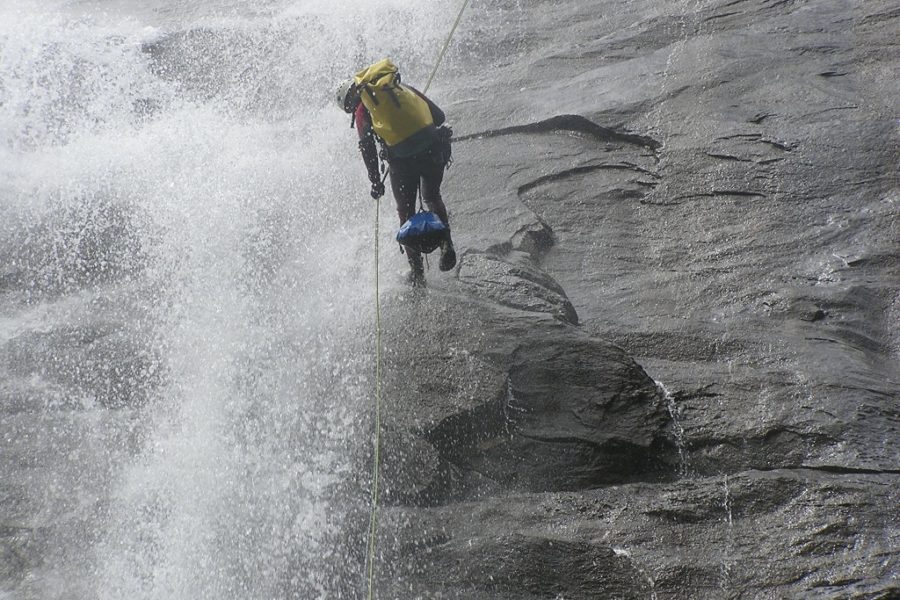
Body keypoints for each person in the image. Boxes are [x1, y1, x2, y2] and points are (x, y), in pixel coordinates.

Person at [337, 59, 456, 286]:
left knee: (406, 211)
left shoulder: (363, 108)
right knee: (432, 196)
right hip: (433, 149)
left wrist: (375, 182)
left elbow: (367, 148)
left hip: (403, 162)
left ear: (350, 103)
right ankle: (447, 244)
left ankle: (417, 273)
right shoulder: (399, 87)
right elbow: (439, 117)